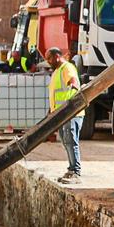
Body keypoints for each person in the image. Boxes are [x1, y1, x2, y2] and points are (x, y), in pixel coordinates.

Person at [48, 46, 83, 183]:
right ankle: (71, 169)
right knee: (66, 141)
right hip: (61, 114)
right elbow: (55, 95)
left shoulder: (66, 68)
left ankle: (76, 172)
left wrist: (73, 88)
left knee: (71, 141)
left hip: (71, 113)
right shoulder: (57, 71)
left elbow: (74, 82)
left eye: (49, 58)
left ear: (57, 56)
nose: (48, 61)